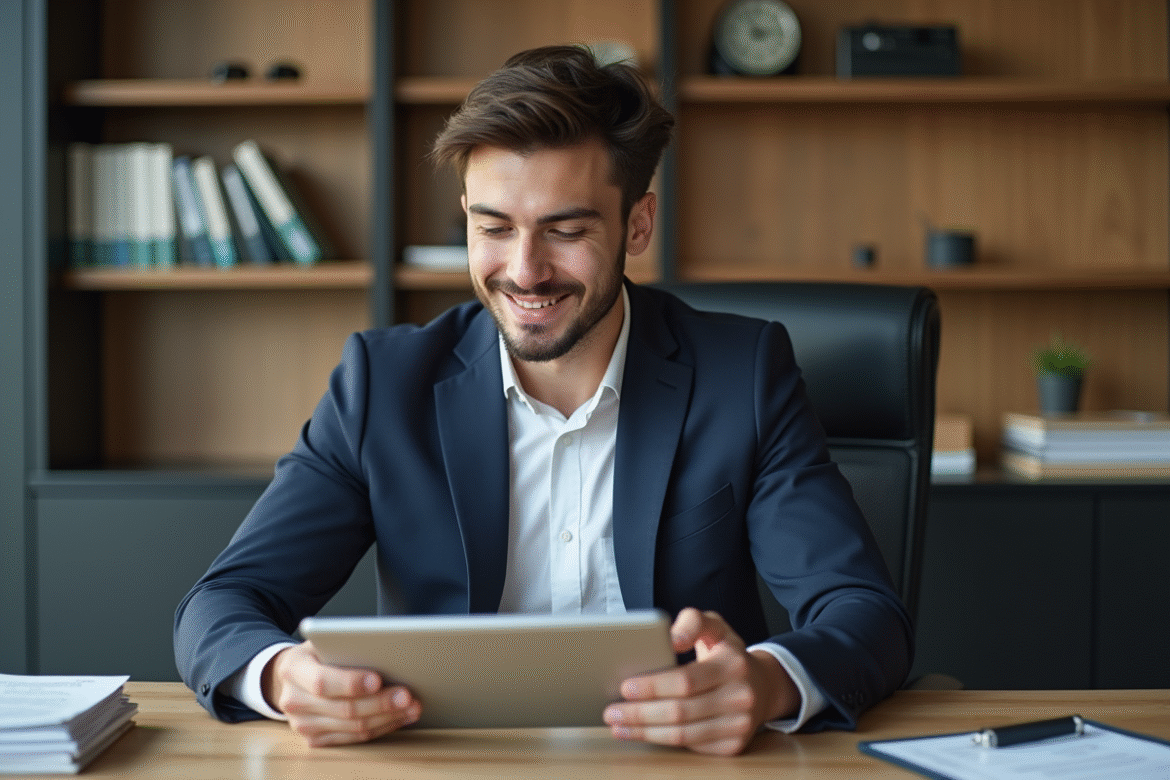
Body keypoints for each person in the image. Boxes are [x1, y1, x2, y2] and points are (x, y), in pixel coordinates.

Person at [174, 44, 912, 757]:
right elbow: (223, 604)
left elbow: (864, 613)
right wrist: (282, 676)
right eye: (493, 228)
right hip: (450, 763)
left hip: (679, 764)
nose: (524, 271)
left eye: (565, 231)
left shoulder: (742, 373)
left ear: (638, 224)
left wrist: (768, 682)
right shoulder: (381, 384)